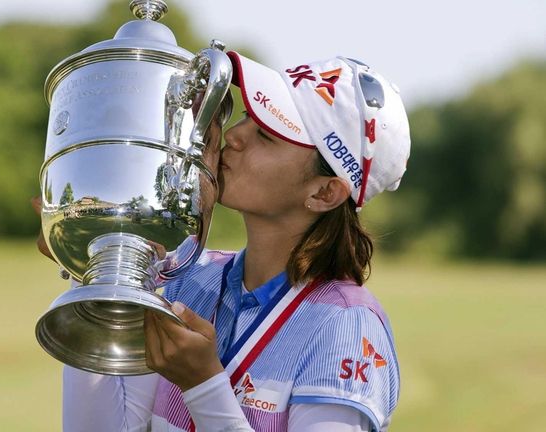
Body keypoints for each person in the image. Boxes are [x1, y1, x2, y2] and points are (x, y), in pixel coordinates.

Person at [35, 51, 410, 432]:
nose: (233, 136)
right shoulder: (187, 276)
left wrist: (202, 384)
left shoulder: (346, 327)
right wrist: (96, 274)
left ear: (325, 192)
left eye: (266, 135)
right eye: (248, 116)